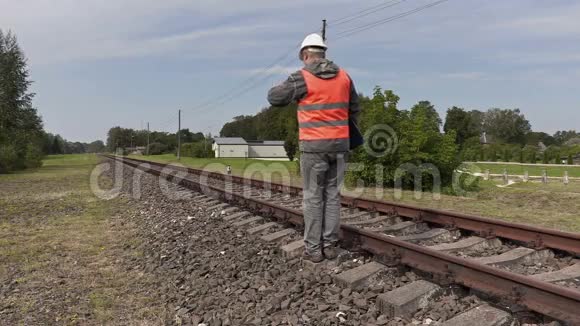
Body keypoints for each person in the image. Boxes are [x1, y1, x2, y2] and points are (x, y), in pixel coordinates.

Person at [267, 33, 361, 263]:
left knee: (312, 198)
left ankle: (313, 250)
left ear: (306, 55)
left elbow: (274, 98)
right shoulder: (345, 77)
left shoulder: (302, 77)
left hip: (313, 146)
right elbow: (355, 109)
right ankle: (329, 246)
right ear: (324, 54)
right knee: (332, 197)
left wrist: (282, 83)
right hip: (340, 145)